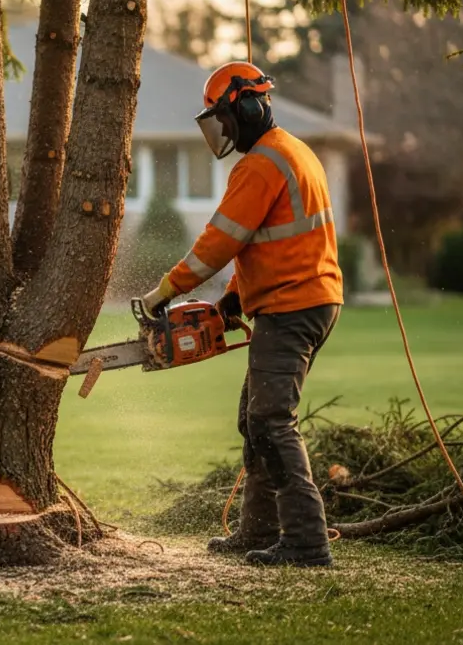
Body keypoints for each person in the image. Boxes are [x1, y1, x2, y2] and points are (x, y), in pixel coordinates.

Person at [141, 62, 344, 568]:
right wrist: (234, 294)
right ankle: (257, 531)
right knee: (255, 420)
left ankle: (306, 542)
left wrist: (163, 292)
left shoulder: (262, 165)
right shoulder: (293, 152)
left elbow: (220, 241)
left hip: (293, 305)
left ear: (250, 108)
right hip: (304, 298)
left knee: (272, 421)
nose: (224, 130)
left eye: (226, 119)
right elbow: (269, 240)